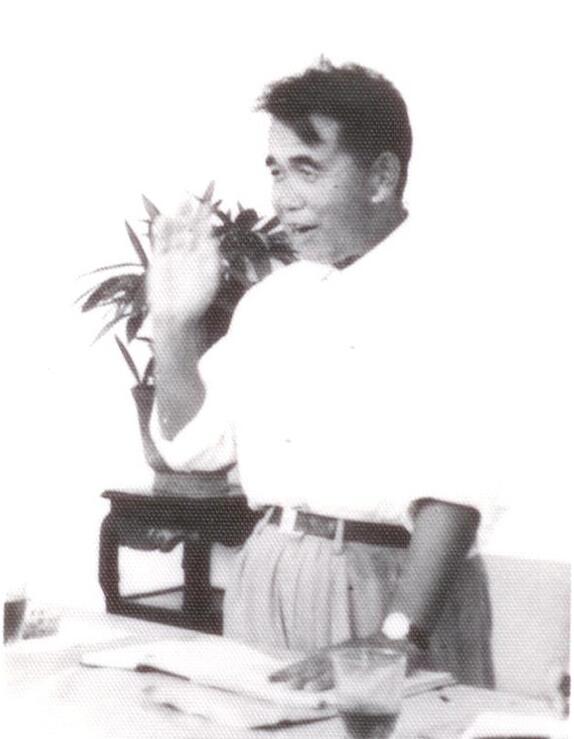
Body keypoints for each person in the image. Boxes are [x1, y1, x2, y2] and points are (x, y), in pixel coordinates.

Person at [147, 60, 495, 689]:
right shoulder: (273, 301)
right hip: (266, 577)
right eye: (276, 171)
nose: (284, 198)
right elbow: (192, 448)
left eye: (307, 169)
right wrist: (173, 323)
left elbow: (456, 491)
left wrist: (394, 640)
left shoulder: (454, 291)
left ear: (381, 176)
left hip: (390, 592)